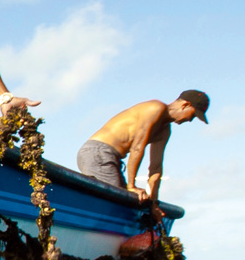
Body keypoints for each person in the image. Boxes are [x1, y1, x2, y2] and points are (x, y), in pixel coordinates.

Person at [76, 90, 210, 213]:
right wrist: (131, 185)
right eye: (193, 115)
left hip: (113, 159)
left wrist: (153, 204)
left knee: (132, 205)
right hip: (98, 153)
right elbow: (137, 147)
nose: (190, 120)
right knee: (117, 205)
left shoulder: (165, 131)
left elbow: (156, 168)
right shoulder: (155, 108)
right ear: (185, 105)